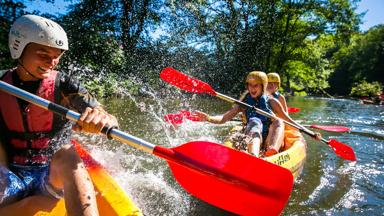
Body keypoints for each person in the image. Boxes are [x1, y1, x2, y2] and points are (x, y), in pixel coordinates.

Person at [0, 14, 119, 216]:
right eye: (43, 53)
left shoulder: (65, 85)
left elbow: (104, 114)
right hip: (8, 172)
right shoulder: (2, 81)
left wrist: (102, 119)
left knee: (68, 156)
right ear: (19, 48)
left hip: (51, 172)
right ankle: (30, 205)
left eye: (57, 55)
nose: (52, 61)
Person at [193, 71, 309, 157]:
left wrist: (309, 132)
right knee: (255, 121)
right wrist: (208, 118)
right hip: (252, 136)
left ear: (262, 86)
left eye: (256, 85)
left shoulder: (272, 101)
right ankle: (253, 155)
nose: (252, 88)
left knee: (279, 121)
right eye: (250, 85)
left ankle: (272, 152)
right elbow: (224, 118)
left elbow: (287, 119)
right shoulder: (244, 103)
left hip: (269, 138)